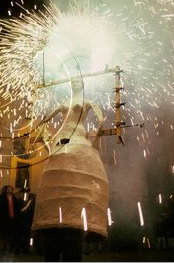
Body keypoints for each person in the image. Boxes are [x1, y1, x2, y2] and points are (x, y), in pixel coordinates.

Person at [32, 76, 109, 262]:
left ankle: (75, 204)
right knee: (58, 165)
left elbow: (100, 115)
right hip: (62, 136)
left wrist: (99, 127)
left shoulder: (87, 102)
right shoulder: (63, 102)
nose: (74, 84)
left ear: (82, 85)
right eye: (72, 82)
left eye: (77, 83)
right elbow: (48, 117)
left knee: (77, 164)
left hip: (79, 135)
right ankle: (55, 209)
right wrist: (39, 124)